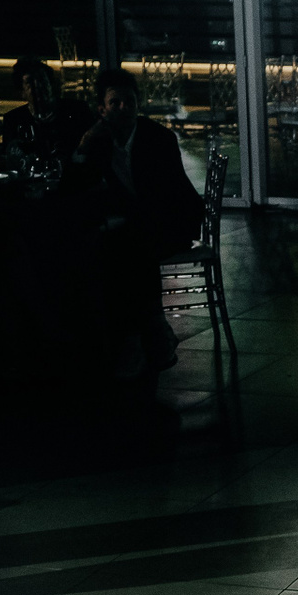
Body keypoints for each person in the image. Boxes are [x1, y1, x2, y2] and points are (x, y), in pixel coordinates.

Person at [65, 66, 202, 376]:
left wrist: (120, 221)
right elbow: (72, 186)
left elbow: (165, 200)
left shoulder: (158, 139)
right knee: (113, 250)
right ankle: (149, 333)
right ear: (102, 109)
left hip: (173, 222)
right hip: (136, 228)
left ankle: (137, 339)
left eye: (129, 101)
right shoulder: (100, 141)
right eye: (114, 103)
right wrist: (84, 145)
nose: (123, 108)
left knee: (126, 248)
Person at [1, 57, 92, 163]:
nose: (38, 86)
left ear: (51, 84)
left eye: (41, 79)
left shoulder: (77, 110)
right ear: (22, 92)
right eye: (30, 82)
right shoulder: (13, 120)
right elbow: (11, 159)